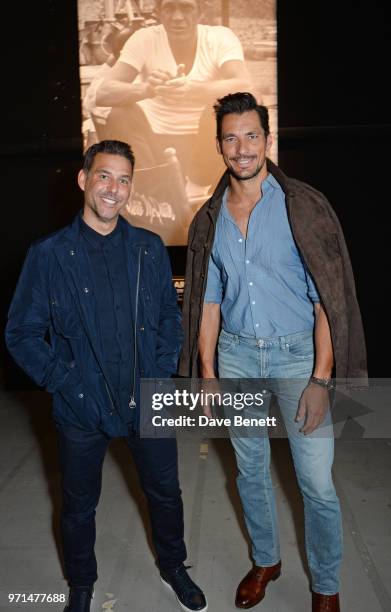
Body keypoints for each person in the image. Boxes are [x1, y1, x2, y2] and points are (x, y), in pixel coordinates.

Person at [178, 93, 367, 611]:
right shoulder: (209, 218)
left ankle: (325, 585)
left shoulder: (302, 206)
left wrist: (321, 377)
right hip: (237, 358)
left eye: (251, 135)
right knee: (251, 471)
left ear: (267, 138)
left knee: (316, 483)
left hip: (296, 359)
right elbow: (207, 303)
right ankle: (266, 560)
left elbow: (327, 299)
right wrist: (209, 372)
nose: (242, 148)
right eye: (231, 138)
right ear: (219, 145)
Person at [5, 140, 207, 612]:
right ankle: (81, 583)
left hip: (146, 396)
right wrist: (67, 382)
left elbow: (168, 319)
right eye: (104, 176)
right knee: (78, 506)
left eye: (123, 179)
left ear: (131, 187)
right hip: (81, 405)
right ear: (84, 179)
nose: (113, 189)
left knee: (165, 493)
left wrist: (158, 373)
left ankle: (174, 567)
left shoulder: (148, 249)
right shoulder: (49, 255)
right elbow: (22, 333)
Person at [95, 0, 252, 191]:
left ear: (200, 12)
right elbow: (103, 93)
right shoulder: (144, 38)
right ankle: (150, 187)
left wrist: (193, 89)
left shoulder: (219, 38)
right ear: (159, 12)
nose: (178, 17)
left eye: (186, 8)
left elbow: (246, 86)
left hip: (204, 143)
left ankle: (199, 186)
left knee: (224, 110)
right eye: (170, 8)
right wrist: (148, 89)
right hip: (154, 140)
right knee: (120, 113)